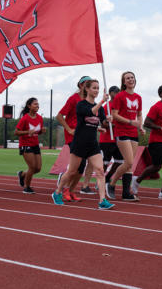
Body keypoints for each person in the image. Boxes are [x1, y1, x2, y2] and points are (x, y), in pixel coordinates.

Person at [52, 79, 115, 209]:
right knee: (72, 171)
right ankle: (57, 192)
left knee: (100, 171)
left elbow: (102, 122)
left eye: (98, 88)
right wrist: (103, 101)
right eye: (94, 88)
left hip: (92, 144)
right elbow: (90, 112)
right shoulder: (81, 105)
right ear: (87, 89)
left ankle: (102, 200)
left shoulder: (100, 108)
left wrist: (107, 121)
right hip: (79, 143)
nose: (96, 91)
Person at [131, 84, 162, 200]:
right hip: (156, 141)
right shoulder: (156, 107)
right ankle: (137, 180)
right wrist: (160, 128)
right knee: (157, 166)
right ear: (161, 94)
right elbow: (146, 123)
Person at [106, 72, 144, 201]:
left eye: (132, 77)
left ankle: (126, 194)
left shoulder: (138, 97)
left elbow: (139, 114)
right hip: (122, 131)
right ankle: (111, 184)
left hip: (133, 132)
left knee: (129, 165)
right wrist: (129, 122)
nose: (130, 79)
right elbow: (114, 115)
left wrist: (140, 126)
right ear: (123, 82)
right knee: (129, 162)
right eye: (127, 78)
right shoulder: (120, 96)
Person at [56, 76, 93, 201]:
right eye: (86, 83)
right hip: (74, 137)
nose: (87, 86)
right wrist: (68, 129)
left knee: (81, 167)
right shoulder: (73, 99)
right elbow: (59, 116)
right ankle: (63, 189)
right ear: (81, 85)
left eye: (90, 84)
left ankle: (70, 191)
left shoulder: (89, 100)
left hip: (85, 136)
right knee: (78, 165)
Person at [14, 97, 46, 194]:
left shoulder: (40, 118)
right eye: (35, 104)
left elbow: (37, 132)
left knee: (38, 168)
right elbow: (16, 132)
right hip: (25, 144)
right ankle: (27, 187)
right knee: (32, 167)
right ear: (29, 106)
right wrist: (28, 132)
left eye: (38, 104)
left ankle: (23, 174)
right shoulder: (25, 118)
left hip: (35, 144)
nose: (37, 106)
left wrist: (41, 131)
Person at [98, 86, 123, 186]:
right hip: (106, 139)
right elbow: (103, 123)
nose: (117, 94)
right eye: (115, 92)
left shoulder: (121, 106)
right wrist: (113, 125)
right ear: (110, 93)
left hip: (118, 139)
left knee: (120, 161)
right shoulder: (106, 107)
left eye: (118, 92)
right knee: (105, 163)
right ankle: (100, 181)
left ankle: (107, 178)